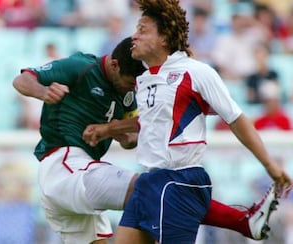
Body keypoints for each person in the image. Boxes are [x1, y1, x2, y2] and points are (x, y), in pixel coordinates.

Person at [13, 37, 288, 244]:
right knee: (151, 187)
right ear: (115, 65)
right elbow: (22, 79)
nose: (134, 88)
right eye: (130, 82)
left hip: (83, 177)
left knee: (153, 192)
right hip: (63, 166)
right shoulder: (82, 66)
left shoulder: (133, 91)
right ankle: (243, 221)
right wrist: (43, 91)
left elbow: (132, 140)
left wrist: (119, 133)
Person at [82, 1, 293, 243]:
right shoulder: (145, 79)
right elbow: (151, 122)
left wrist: (270, 166)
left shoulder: (195, 72)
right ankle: (243, 221)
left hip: (178, 181)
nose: (134, 36)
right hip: (148, 181)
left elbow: (236, 118)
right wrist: (109, 129)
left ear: (164, 39)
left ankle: (243, 221)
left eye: (142, 30)